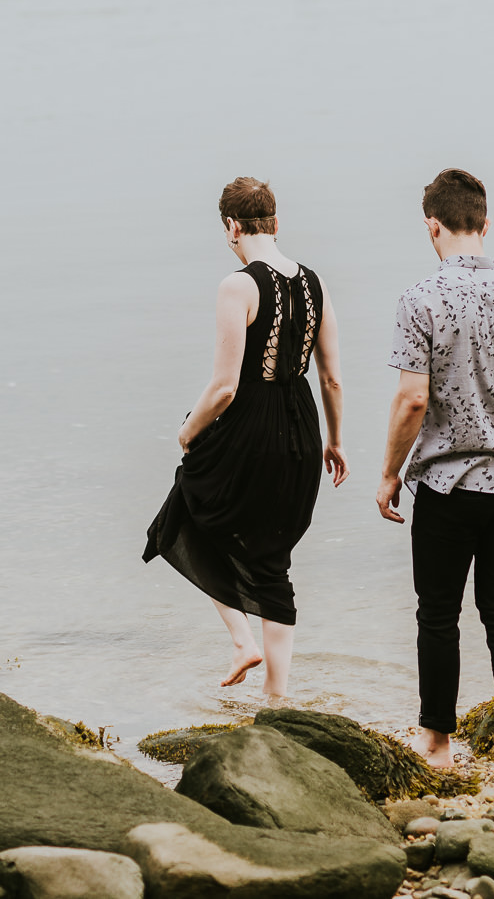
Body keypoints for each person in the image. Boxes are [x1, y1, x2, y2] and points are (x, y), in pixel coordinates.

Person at [375, 168, 494, 782]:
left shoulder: (419, 299)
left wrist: (388, 474)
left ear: (432, 225)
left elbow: (411, 402)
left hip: (447, 486)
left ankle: (437, 741)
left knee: (438, 614)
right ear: (485, 224)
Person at [145, 176, 349, 701]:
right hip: (302, 425)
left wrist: (187, 433)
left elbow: (225, 387)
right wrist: (335, 440)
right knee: (273, 556)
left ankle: (241, 642)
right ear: (276, 223)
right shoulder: (315, 284)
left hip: (251, 424)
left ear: (231, 227)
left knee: (186, 510)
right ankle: (276, 695)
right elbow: (331, 378)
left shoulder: (237, 285)